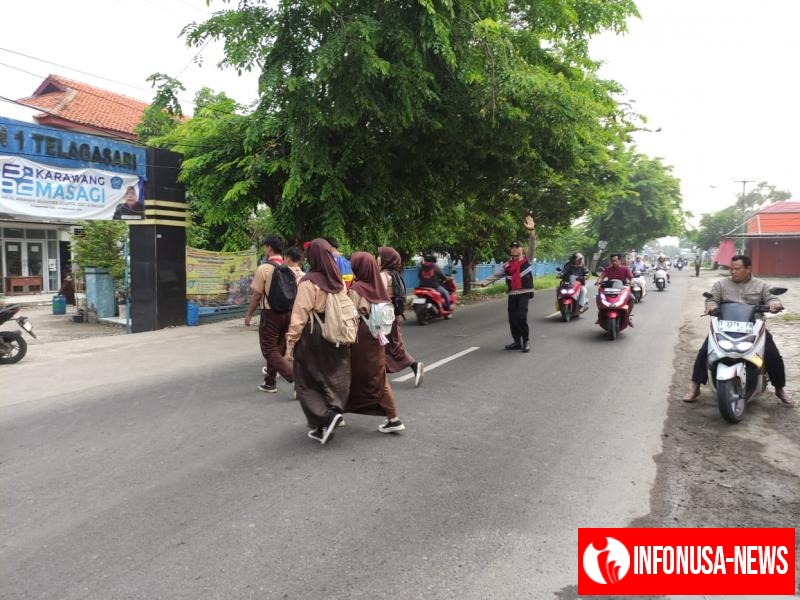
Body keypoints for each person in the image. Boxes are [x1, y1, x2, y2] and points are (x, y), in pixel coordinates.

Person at [683, 255, 795, 406]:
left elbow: (772, 298)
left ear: (748, 269)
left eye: (737, 269)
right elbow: (712, 299)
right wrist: (710, 306)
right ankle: (694, 387)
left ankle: (779, 389)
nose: (733, 272)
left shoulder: (761, 285)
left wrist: (774, 304)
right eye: (731, 269)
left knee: (773, 355)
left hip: (753, 327)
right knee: (705, 352)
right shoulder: (721, 285)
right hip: (725, 327)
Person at [285, 238, 350, 444]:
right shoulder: (337, 281)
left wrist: (290, 343)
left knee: (306, 379)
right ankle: (331, 415)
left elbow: (299, 315)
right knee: (333, 375)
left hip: (313, 336)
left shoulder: (309, 282)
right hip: (336, 335)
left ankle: (325, 418)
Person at [344, 252, 406, 433]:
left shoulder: (357, 289)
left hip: (361, 339)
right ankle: (392, 417)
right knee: (377, 376)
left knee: (354, 375)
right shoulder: (379, 286)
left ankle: (335, 412)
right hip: (378, 337)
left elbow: (349, 316)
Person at [474, 215, 537, 352]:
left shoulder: (527, 259)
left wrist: (532, 232)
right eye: (512, 247)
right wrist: (484, 283)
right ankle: (517, 341)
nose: (514, 249)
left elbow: (532, 244)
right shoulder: (507, 264)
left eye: (517, 247)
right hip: (512, 294)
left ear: (522, 249)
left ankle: (526, 341)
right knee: (512, 319)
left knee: (521, 316)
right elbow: (497, 275)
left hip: (524, 293)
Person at [244, 234, 294, 393]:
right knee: (277, 349)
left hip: (270, 314)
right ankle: (270, 382)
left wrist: (249, 314)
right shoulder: (288, 268)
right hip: (287, 313)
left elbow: (257, 295)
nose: (264, 249)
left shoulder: (264, 268)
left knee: (268, 349)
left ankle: (295, 378)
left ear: (269, 248)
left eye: (265, 247)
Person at [378, 246, 424, 387]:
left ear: (386, 260)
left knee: (393, 346)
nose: (377, 258)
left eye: (380, 256)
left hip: (385, 317)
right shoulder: (395, 275)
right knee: (382, 347)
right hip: (391, 315)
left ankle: (415, 366)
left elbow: (378, 296)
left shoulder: (383, 276)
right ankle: (378, 376)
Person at [595, 252, 635, 319]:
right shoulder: (608, 269)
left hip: (622, 289)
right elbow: (602, 276)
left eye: (615, 261)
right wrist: (598, 281)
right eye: (612, 261)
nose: (614, 262)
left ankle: (627, 316)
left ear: (619, 260)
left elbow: (631, 278)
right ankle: (601, 315)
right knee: (598, 297)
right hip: (610, 289)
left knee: (632, 298)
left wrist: (631, 282)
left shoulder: (625, 269)